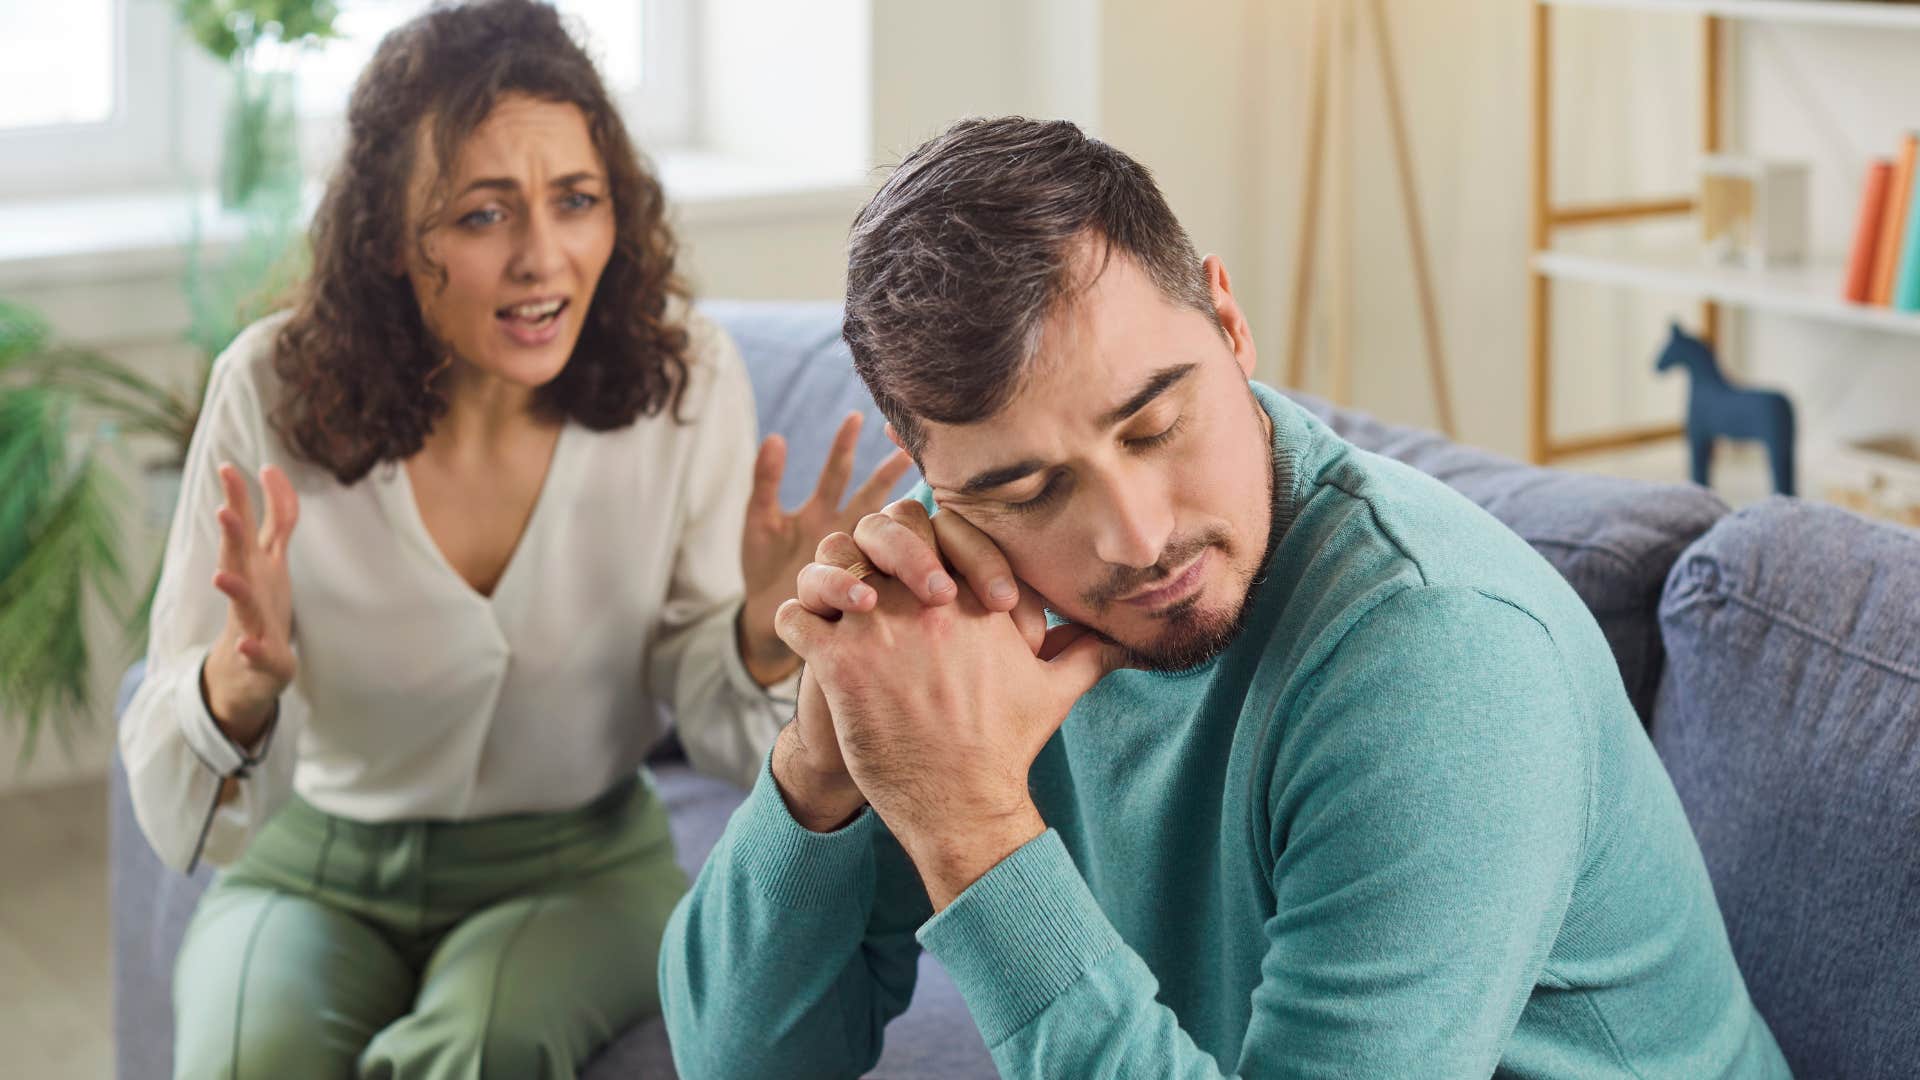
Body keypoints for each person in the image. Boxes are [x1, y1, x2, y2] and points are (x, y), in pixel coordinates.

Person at [657, 117, 1791, 1078]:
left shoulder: (1440, 656)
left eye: (1155, 424)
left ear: (1230, 322)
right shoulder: (965, 605)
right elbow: (739, 1057)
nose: (1138, 537)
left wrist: (971, 829)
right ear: (939, 486)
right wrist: (825, 758)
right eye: (1030, 489)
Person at [118, 2, 907, 1076]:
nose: (543, 258)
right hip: (314, 866)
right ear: (395, 237)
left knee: (479, 1046)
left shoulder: (686, 385)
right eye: (484, 215)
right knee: (250, 1052)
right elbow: (178, 731)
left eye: (576, 202)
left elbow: (717, 714)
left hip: (579, 869)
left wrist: (763, 635)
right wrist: (239, 683)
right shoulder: (269, 389)